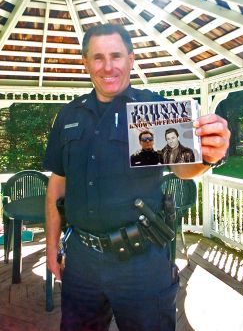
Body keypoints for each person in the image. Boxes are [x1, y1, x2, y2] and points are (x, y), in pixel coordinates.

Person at [44, 23, 230, 331]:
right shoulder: (69, 116)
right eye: (98, 57)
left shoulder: (151, 110)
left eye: (116, 56)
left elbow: (183, 169)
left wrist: (209, 156)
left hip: (141, 263)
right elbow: (56, 186)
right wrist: (53, 247)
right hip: (81, 264)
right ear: (86, 62)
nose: (108, 67)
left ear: (131, 59)